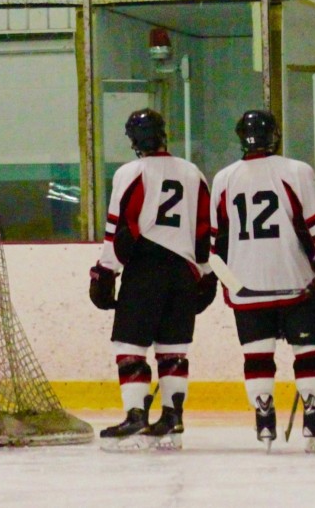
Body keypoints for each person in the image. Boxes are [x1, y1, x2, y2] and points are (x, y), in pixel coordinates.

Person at [210, 109, 315, 453]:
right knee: (309, 353)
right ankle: (313, 418)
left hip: (246, 287)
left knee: (257, 356)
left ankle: (263, 418)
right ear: (275, 136)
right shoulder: (297, 171)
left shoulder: (223, 178)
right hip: (296, 281)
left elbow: (214, 242)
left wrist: (228, 284)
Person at [88, 108, 215, 451]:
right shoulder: (192, 172)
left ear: (133, 140)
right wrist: (204, 272)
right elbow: (204, 230)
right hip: (184, 270)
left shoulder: (131, 172)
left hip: (145, 266)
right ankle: (173, 415)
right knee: (173, 347)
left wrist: (105, 270)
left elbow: (120, 229)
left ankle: (135, 414)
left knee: (129, 344)